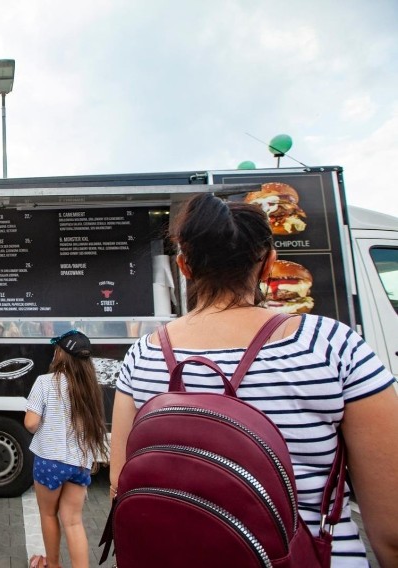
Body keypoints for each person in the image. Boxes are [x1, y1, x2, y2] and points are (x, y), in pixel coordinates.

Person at [109, 193, 398, 567]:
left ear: (184, 267)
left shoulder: (143, 353)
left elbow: (120, 486)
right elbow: (391, 532)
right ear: (268, 264)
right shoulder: (331, 344)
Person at [25, 330, 108, 568]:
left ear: (61, 354)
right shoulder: (90, 388)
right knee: (73, 522)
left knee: (49, 514)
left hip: (50, 461)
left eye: (56, 349)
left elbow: (31, 423)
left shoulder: (45, 382)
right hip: (79, 462)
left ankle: (53, 565)